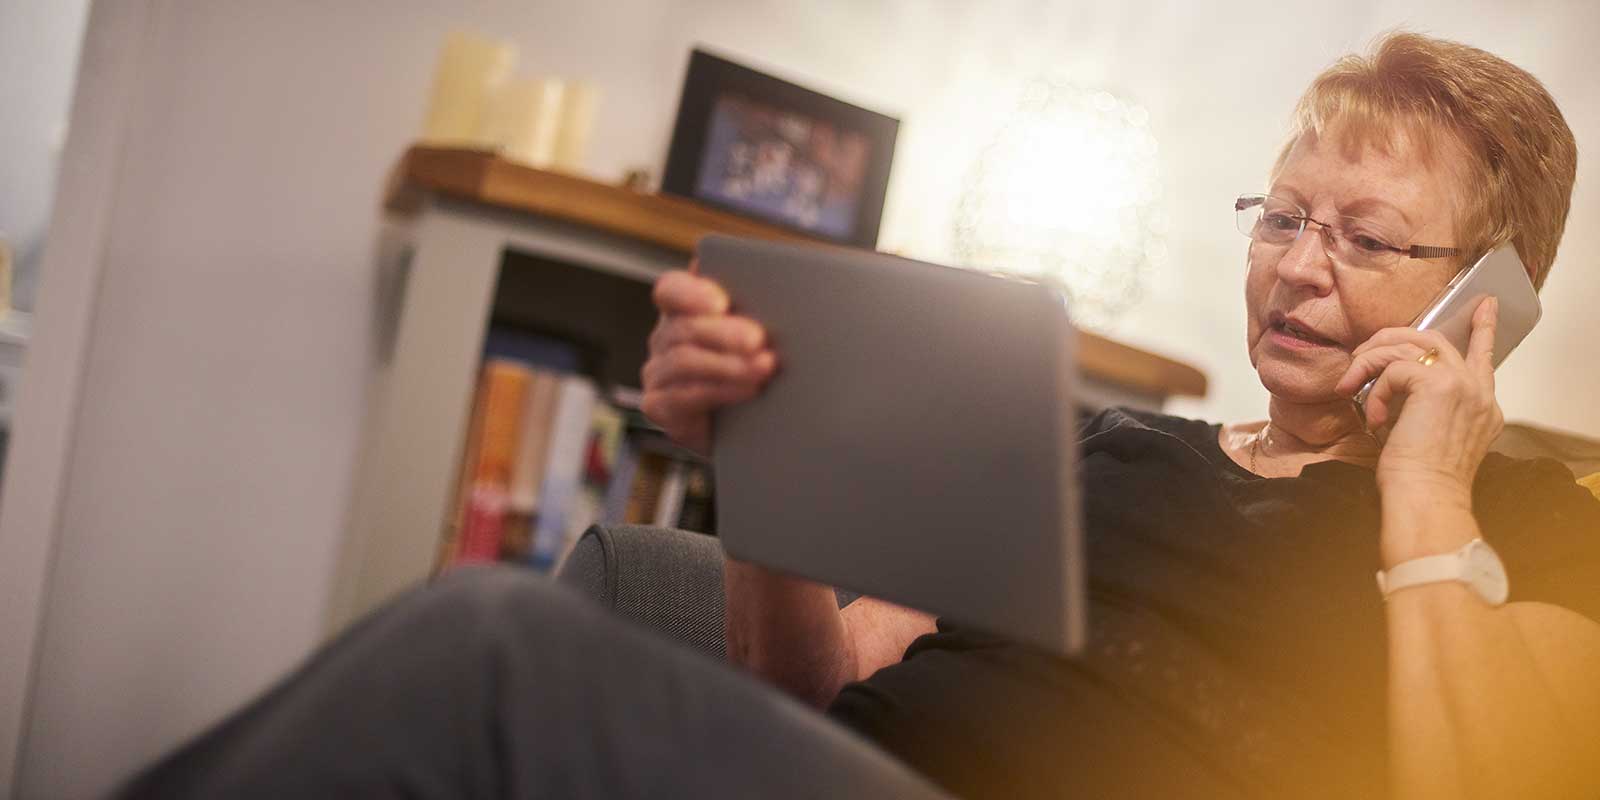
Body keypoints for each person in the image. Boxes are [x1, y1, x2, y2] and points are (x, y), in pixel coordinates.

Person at [118, 32, 1598, 800]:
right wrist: (768, 478)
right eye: (1279, 216)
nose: (1292, 265)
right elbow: (810, 700)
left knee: (488, 649)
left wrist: (1429, 496)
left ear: (1487, 296)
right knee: (499, 653)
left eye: (1361, 235)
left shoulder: (1533, 534)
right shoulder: (1110, 452)